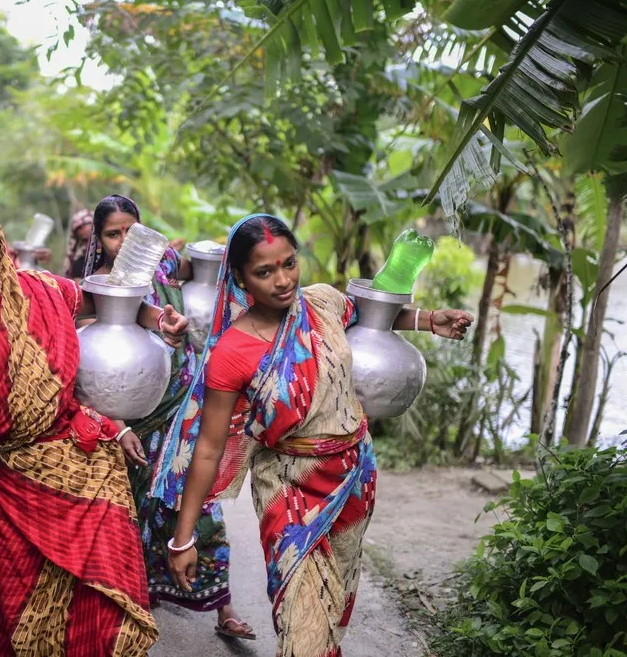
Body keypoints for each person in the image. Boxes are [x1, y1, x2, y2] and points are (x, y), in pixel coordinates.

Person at [156, 214, 474, 656]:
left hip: (352, 476)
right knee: (302, 618)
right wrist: (183, 538)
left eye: (289, 263)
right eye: (264, 272)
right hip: (288, 489)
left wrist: (428, 320)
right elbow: (208, 449)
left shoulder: (324, 304)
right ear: (240, 278)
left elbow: (370, 316)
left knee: (333, 602)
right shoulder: (232, 352)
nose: (283, 280)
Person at [0, 193, 185, 655]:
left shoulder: (44, 290)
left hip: (92, 475)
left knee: (106, 626)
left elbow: (108, 303)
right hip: (14, 495)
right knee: (27, 635)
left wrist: (158, 320)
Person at [82, 194, 253, 640]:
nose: (123, 242)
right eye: (112, 234)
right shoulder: (98, 287)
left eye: (130, 231)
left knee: (201, 505)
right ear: (98, 240)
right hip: (136, 418)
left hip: (185, 407)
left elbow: (206, 274)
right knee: (136, 511)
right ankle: (135, 602)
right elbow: (90, 371)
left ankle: (224, 606)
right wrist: (118, 428)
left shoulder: (166, 265)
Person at [63, 208, 93, 280]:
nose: (90, 244)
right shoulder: (79, 265)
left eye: (93, 238)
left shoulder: (112, 257)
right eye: (85, 240)